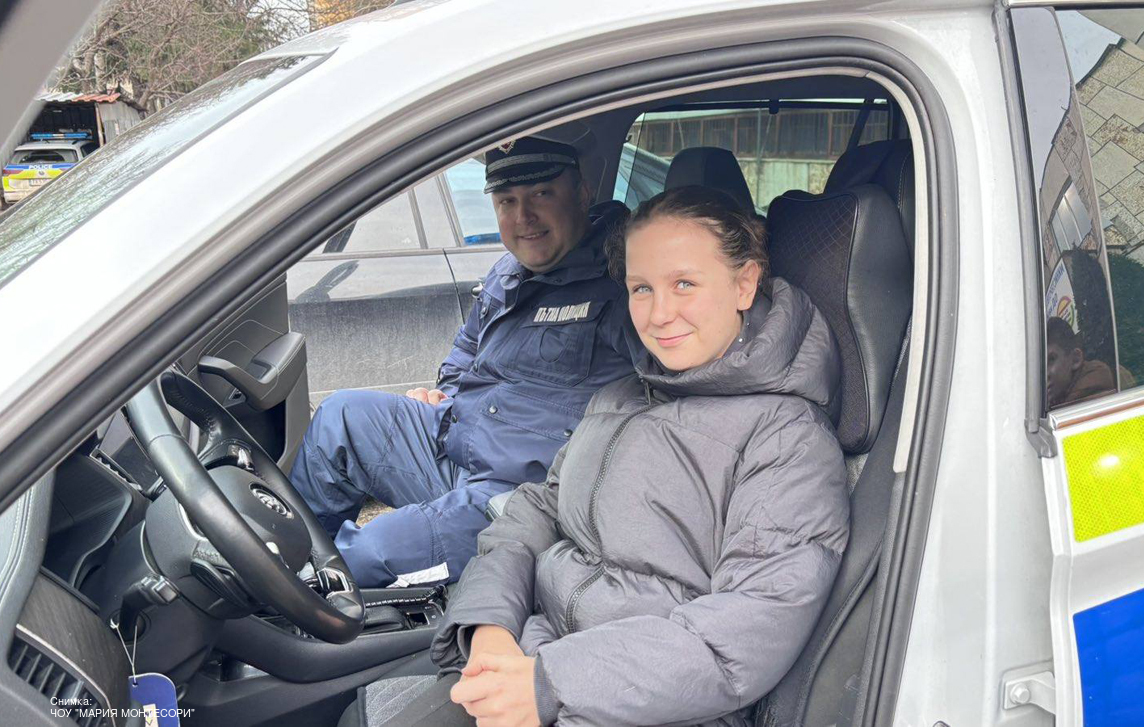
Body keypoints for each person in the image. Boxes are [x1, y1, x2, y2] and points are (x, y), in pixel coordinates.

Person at [346, 186, 850, 727]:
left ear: (745, 283)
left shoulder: (785, 438)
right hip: (535, 653)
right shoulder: (626, 394)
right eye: (641, 288)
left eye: (684, 283)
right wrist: (489, 624)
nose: (660, 314)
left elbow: (745, 630)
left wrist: (550, 684)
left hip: (645, 705)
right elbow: (535, 510)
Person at [289, 137, 638, 588]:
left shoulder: (624, 283)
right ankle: (293, 561)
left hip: (521, 495)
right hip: (456, 444)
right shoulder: (506, 274)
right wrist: (445, 394)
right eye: (506, 201)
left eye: (541, 194)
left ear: (583, 193)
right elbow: (463, 354)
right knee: (341, 415)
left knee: (366, 556)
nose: (523, 217)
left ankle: (310, 600)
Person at [1046, 315, 1115, 408]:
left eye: (1051, 360)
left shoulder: (1090, 401)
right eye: (1040, 369)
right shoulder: (1063, 397)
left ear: (1076, 359)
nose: (1045, 375)